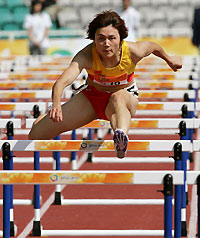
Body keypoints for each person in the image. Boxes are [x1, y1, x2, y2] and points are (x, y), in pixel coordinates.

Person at [28, 10, 182, 159]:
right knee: (35, 134)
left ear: (121, 38)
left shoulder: (134, 51)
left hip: (124, 96)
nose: (106, 44)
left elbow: (153, 46)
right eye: (100, 38)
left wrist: (169, 59)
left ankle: (121, 137)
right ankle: (42, 120)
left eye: (111, 38)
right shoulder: (86, 55)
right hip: (91, 98)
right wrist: (56, 104)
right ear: (94, 39)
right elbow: (62, 82)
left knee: (118, 97)